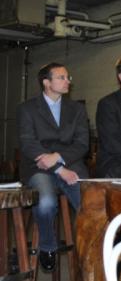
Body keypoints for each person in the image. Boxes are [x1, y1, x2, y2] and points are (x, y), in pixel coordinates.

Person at [17, 63, 89, 271]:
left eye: (68, 77)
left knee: (90, 202)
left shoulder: (76, 109)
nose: (68, 81)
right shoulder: (27, 109)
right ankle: (47, 246)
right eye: (61, 77)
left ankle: (91, 247)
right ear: (46, 82)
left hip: (71, 164)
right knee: (46, 202)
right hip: (38, 167)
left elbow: (82, 143)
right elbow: (28, 143)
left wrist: (58, 157)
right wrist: (58, 169)